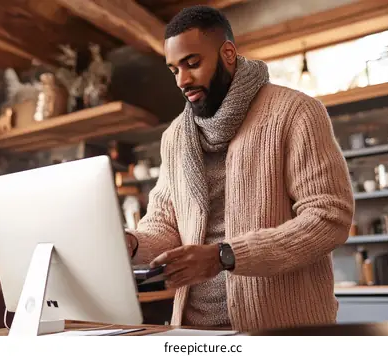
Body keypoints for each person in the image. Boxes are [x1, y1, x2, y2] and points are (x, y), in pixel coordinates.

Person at [125, 5, 354, 332]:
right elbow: (165, 223)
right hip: (194, 334)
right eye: (174, 70)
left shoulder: (296, 113)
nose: (182, 80)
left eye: (192, 63)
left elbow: (329, 218)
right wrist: (132, 244)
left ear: (228, 53)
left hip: (282, 332)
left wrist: (225, 256)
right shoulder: (175, 136)